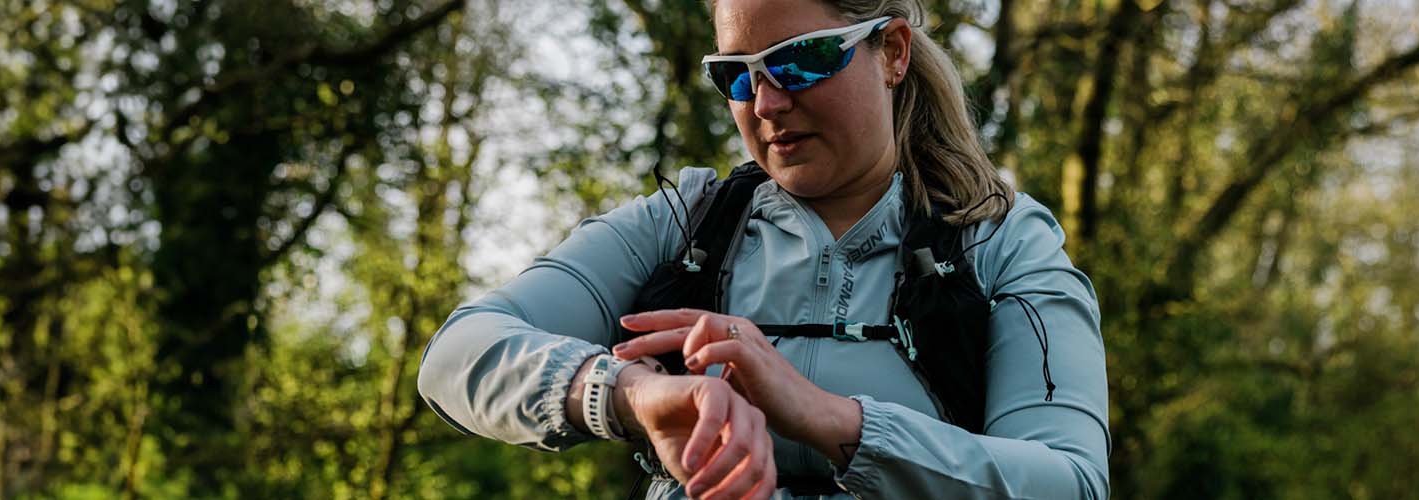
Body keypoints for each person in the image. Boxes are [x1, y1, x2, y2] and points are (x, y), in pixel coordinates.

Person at [415, 0, 1109, 497]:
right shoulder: (685, 224)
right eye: (738, 76)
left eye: (800, 63)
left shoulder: (1000, 237)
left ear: (892, 52)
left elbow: (1070, 480)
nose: (767, 104)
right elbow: (455, 355)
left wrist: (829, 418)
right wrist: (630, 394)